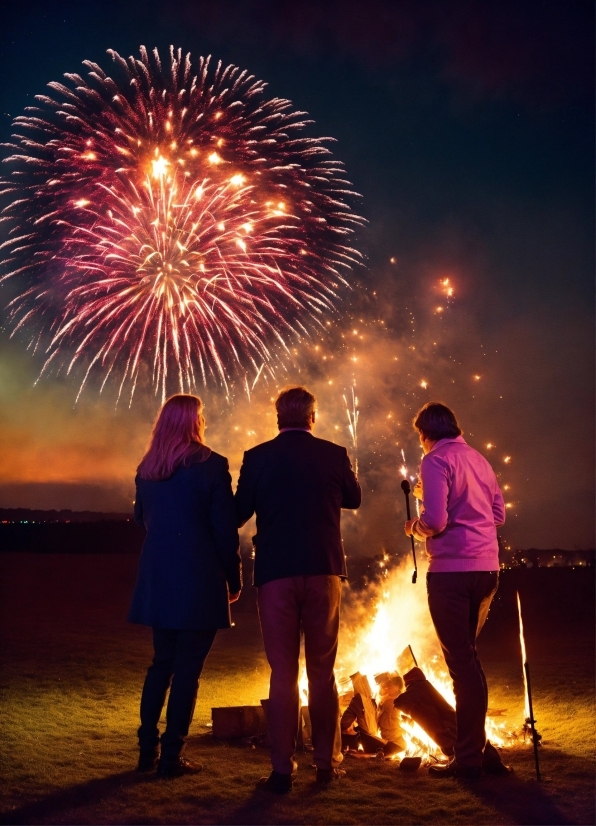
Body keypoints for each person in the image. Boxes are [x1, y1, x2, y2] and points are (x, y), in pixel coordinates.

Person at [235, 385, 361, 792]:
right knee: (323, 673)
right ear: (312, 416)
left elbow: (238, 514)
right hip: (323, 570)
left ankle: (281, 769)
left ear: (277, 417)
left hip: (275, 573)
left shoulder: (257, 458)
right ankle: (326, 763)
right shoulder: (333, 453)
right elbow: (354, 499)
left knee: (283, 672)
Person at [129, 394, 241, 778]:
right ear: (195, 421)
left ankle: (147, 749)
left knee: (161, 664)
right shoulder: (212, 466)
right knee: (188, 671)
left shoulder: (148, 468)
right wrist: (234, 576)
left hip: (160, 579)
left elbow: (141, 518)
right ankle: (172, 756)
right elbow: (224, 531)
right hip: (198, 579)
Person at [404, 401, 511, 779]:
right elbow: (498, 515)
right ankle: (476, 750)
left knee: (462, 664)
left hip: (452, 571)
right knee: (468, 660)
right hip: (487, 569)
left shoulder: (434, 460)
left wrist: (414, 527)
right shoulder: (478, 459)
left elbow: (435, 520)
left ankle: (468, 759)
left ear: (425, 433)